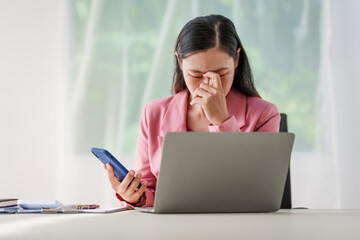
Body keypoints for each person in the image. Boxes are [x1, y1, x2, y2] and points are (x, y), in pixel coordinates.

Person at [104, 14, 280, 208]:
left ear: (236, 59)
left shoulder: (265, 114)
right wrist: (135, 195)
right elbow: (150, 189)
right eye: (196, 74)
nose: (208, 84)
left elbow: (256, 190)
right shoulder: (154, 113)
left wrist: (222, 120)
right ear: (180, 62)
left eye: (221, 74)